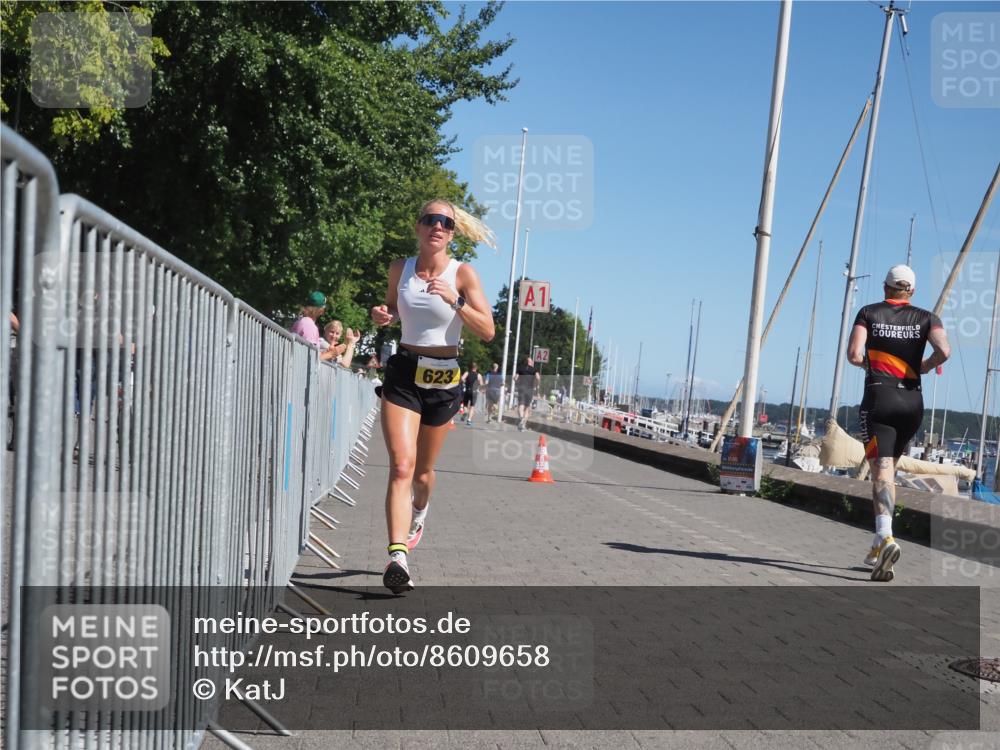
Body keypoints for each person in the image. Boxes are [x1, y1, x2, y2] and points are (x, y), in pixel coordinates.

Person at [371, 199, 495, 593]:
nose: (437, 227)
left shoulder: (463, 274)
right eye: (430, 220)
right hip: (405, 373)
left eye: (445, 222)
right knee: (402, 467)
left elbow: (488, 331)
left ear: (452, 233)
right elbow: (392, 308)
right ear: (418, 227)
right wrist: (383, 315)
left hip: (444, 380)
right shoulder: (399, 268)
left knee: (423, 475)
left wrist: (455, 302)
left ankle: (419, 512)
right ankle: (397, 558)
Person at [847, 264, 950, 582]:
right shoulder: (926, 317)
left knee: (881, 474)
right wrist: (926, 366)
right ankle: (878, 546)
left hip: (880, 399)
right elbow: (944, 350)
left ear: (884, 287)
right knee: (889, 472)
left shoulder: (869, 312)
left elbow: (853, 354)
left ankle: (886, 536)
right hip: (912, 403)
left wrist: (875, 365)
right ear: (912, 291)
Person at [513, 355, 540, 431]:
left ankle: (521, 419)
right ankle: (523, 424)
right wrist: (536, 385)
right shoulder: (534, 369)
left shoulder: (521, 368)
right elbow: (538, 377)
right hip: (530, 389)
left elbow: (515, 378)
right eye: (532, 361)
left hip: (521, 388)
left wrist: (517, 383)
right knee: (527, 408)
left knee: (521, 405)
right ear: (530, 362)